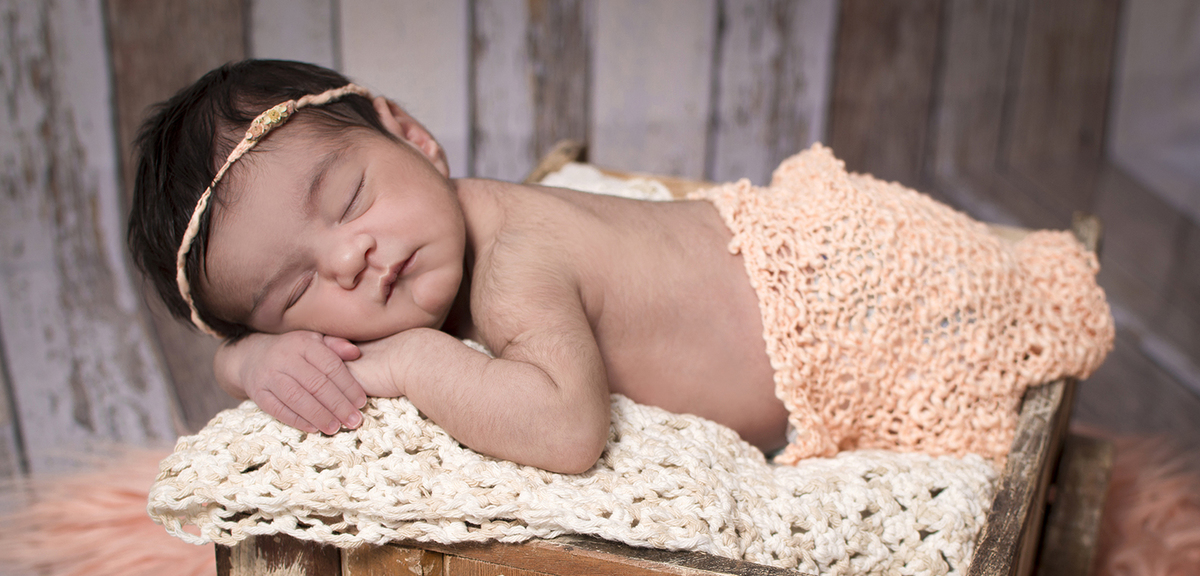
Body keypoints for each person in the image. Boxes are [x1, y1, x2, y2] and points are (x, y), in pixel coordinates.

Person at [128, 59, 1113, 474]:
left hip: (859, 304)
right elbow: (258, 341)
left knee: (990, 387)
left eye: (346, 200)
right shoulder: (435, 260)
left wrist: (394, 367)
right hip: (808, 265)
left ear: (412, 135)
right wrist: (248, 363)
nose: (353, 258)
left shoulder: (516, 260)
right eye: (296, 291)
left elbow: (563, 430)